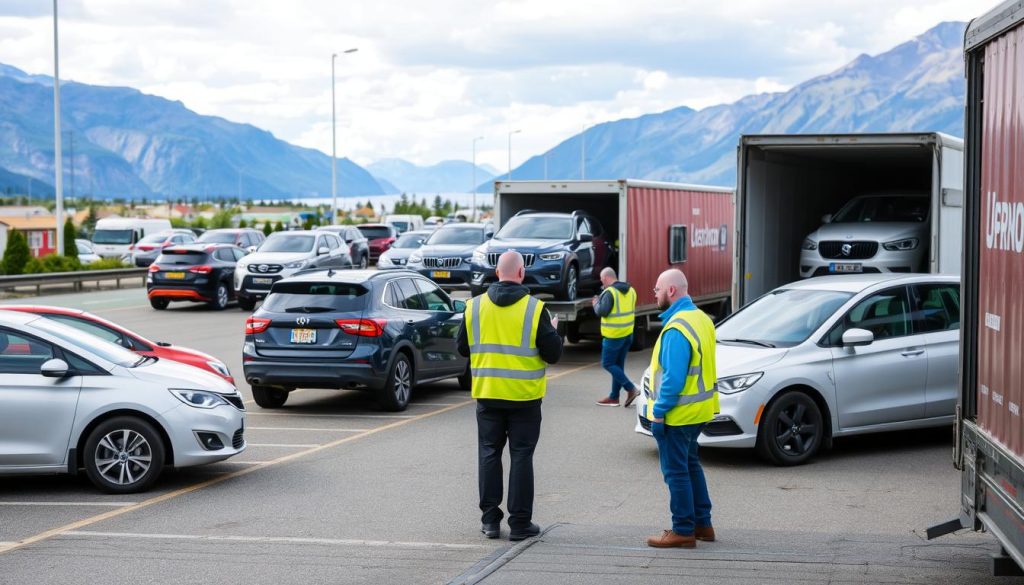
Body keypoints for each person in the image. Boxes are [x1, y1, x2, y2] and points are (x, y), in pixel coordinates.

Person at [457, 251, 563, 541]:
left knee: (489, 454)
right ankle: (520, 524)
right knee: (521, 457)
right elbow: (552, 355)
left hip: (488, 395)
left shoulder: (474, 307)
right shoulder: (534, 308)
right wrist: (554, 332)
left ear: (496, 272)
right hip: (524, 399)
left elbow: (463, 349)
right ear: (521, 273)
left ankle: (490, 521)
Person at [644, 268, 719, 548]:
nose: (655, 294)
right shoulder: (701, 319)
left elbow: (673, 380)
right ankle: (703, 524)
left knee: (676, 472)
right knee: (691, 466)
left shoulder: (676, 329)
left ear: (671, 291)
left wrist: (659, 412)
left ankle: (683, 530)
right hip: (699, 411)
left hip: (678, 414)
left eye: (656, 289)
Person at [591, 267, 639, 407]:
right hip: (627, 334)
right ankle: (614, 397)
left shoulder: (610, 292)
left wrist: (595, 303)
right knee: (618, 365)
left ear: (606, 278)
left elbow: (602, 311)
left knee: (607, 363)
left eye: (601, 280)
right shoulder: (631, 290)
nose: (602, 283)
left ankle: (631, 389)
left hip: (613, 336)